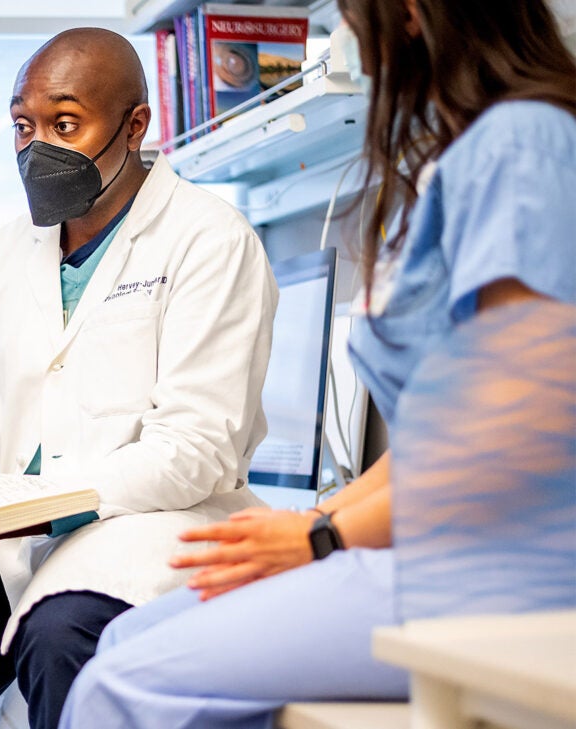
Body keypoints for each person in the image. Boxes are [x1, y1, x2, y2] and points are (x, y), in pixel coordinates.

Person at [59, 1, 576, 726]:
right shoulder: (482, 154)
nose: (344, 34)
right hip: (456, 548)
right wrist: (324, 516)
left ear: (411, 13)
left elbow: (515, 436)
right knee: (124, 635)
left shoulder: (521, 148)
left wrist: (321, 539)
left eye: (350, 13)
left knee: (116, 683)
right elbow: (446, 435)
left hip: (501, 569)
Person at [0, 27, 277, 729]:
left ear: (134, 125)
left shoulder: (209, 239)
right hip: (4, 550)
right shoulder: (1, 257)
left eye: (65, 124)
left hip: (139, 536)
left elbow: (196, 448)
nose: (38, 149)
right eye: (23, 127)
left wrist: (37, 506)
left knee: (60, 635)